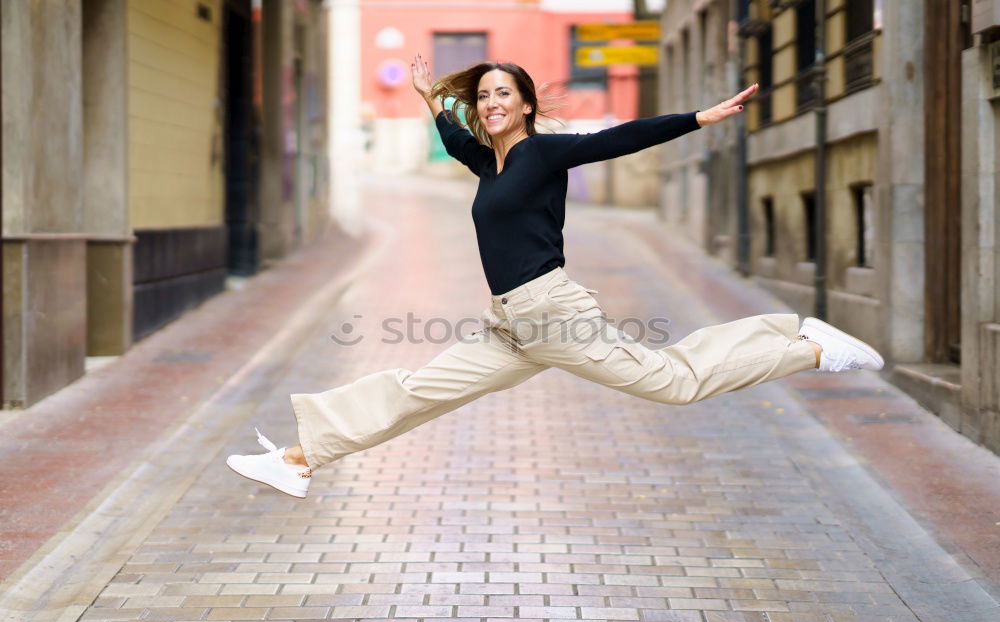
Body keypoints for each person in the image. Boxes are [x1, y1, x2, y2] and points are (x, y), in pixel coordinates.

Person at [226, 55, 884, 499]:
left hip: (555, 317)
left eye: (501, 94)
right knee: (420, 391)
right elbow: (455, 140)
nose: (489, 104)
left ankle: (807, 346)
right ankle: (299, 458)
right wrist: (432, 96)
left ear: (526, 104)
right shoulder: (492, 164)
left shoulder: (542, 152)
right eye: (482, 96)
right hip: (509, 327)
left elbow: (617, 138)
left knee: (676, 382)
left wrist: (698, 119)